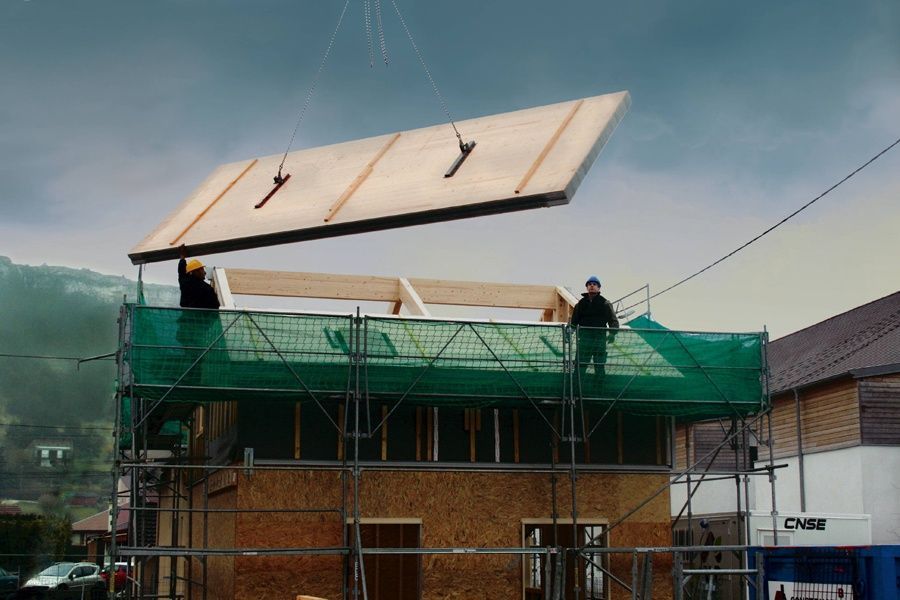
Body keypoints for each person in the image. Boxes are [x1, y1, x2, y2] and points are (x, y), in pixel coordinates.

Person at [570, 275, 619, 391]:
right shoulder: (580, 304)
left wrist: (612, 334)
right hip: (584, 341)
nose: (592, 286)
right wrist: (569, 333)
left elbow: (614, 321)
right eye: (589, 284)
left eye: (594, 284)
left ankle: (599, 391)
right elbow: (573, 323)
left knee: (599, 367)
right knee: (580, 366)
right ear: (587, 287)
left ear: (599, 288)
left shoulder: (605, 303)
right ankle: (576, 391)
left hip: (599, 341)